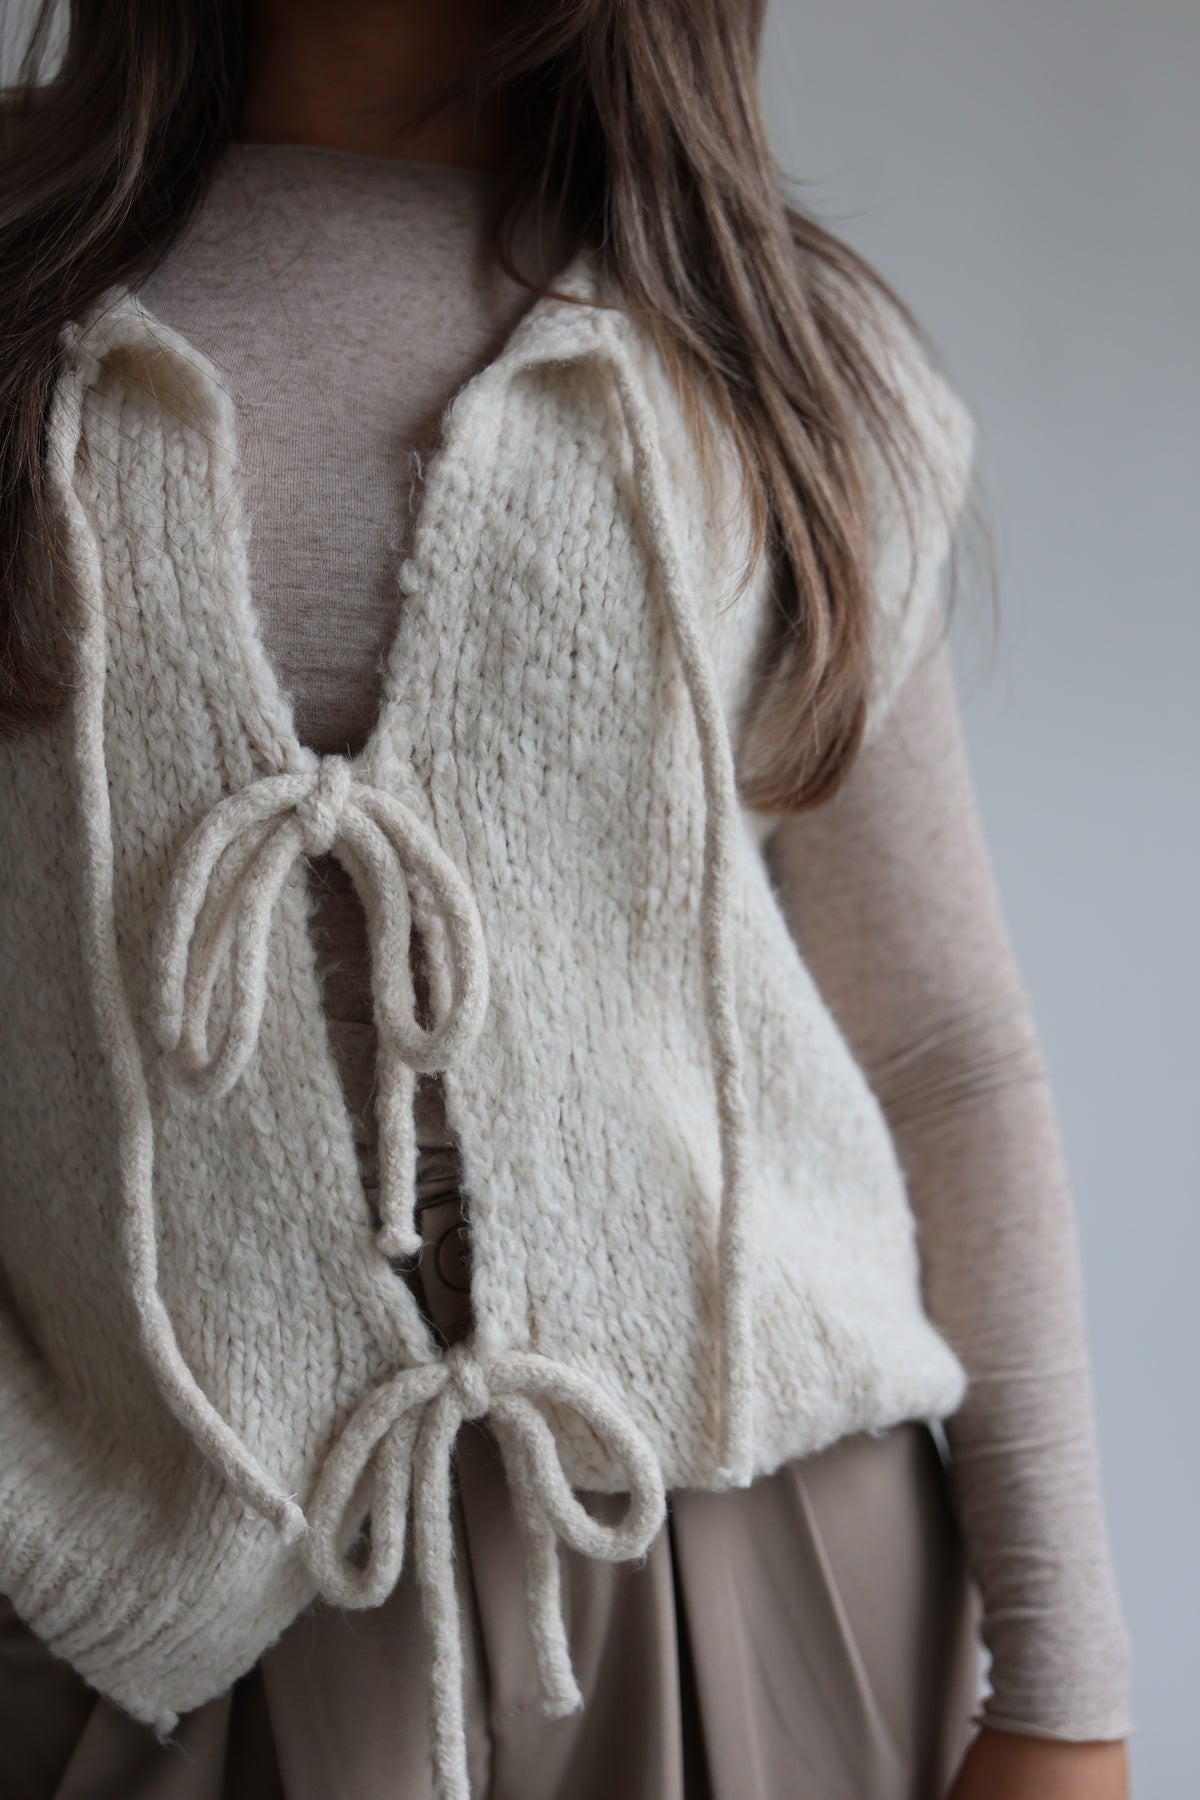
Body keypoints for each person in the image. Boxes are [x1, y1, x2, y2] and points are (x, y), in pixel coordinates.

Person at [0, 2, 1135, 1797]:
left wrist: (1064, 1687)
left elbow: (942, 1049)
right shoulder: (21, 281)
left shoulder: (778, 350)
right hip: (134, 1616)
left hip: (756, 1577)